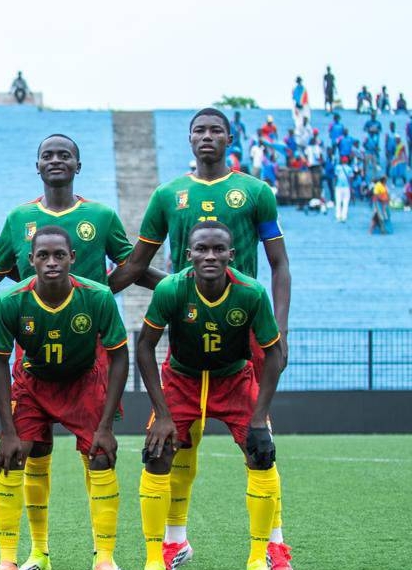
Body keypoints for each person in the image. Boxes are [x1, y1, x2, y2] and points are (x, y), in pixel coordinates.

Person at [0, 134, 160, 570]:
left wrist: (165, 287)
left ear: (78, 165)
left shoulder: (100, 216)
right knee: (29, 454)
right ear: (37, 165)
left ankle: (104, 557)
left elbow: (133, 266)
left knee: (98, 453)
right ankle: (35, 553)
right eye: (47, 155)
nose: (56, 160)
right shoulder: (19, 218)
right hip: (34, 356)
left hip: (88, 354)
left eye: (65, 154)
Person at [109, 108, 292, 570]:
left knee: (260, 442)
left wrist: (281, 329)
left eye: (216, 130)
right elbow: (136, 265)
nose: (207, 136)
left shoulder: (255, 191)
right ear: (189, 139)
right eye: (199, 130)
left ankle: (273, 544)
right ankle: (174, 542)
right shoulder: (168, 195)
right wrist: (88, 296)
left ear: (229, 138)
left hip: (245, 329)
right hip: (189, 331)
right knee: (175, 442)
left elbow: (279, 264)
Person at [136, 220, 284, 570]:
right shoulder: (171, 289)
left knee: (261, 454)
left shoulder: (251, 292)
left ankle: (260, 557)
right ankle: (157, 558)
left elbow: (274, 354)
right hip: (182, 381)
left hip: (234, 381)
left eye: (219, 249)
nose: (210, 256)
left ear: (232, 254)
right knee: (156, 455)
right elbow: (144, 347)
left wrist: (260, 418)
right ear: (188, 254)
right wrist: (163, 414)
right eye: (202, 249)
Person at [0, 226, 129, 570]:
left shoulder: (97, 296)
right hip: (33, 384)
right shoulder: (10, 300)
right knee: (14, 457)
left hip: (84, 383)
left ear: (72, 258)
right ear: (31, 260)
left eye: (59, 255)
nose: (51, 262)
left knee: (101, 457)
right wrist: (7, 431)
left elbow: (120, 357)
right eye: (43, 255)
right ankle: (21, 557)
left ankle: (104, 558)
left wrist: (106, 426)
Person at [334, 157, 354, 222]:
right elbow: (351, 178)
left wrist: (335, 185)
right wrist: (351, 187)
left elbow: (336, 177)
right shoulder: (349, 168)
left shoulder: (337, 167)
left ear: (341, 161)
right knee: (346, 202)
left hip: (338, 186)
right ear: (347, 161)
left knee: (338, 202)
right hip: (346, 187)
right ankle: (344, 217)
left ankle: (338, 216)